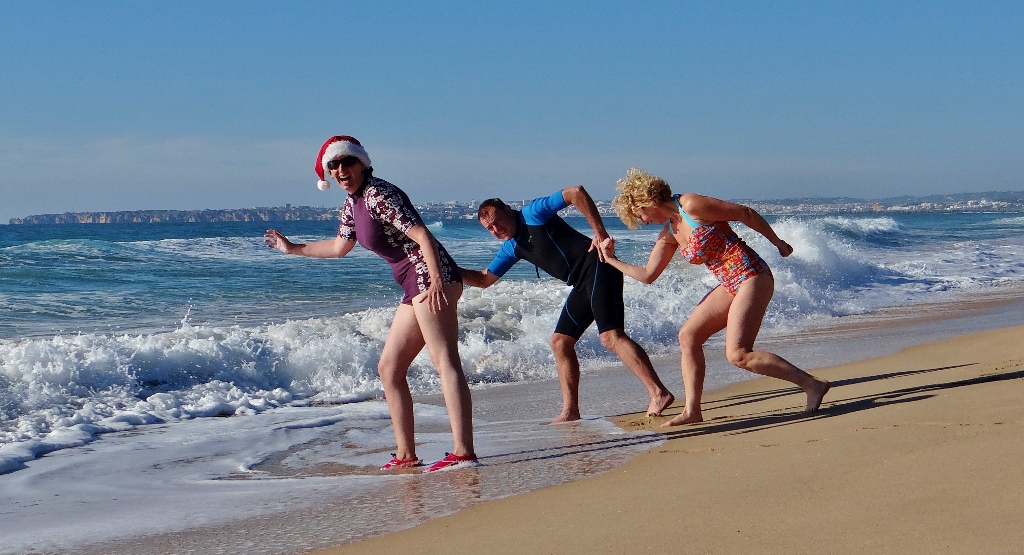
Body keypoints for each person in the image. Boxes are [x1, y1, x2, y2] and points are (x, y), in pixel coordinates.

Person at [264, 135, 476, 472]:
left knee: (444, 361)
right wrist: (292, 248)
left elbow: (421, 235)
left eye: (347, 162)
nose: (341, 169)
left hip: (427, 273)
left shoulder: (379, 193)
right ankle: (406, 455)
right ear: (328, 174)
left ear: (362, 163)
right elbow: (338, 247)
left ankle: (463, 452)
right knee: (389, 369)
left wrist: (437, 280)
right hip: (413, 282)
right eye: (333, 165)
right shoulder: (353, 203)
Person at [597, 167, 830, 427]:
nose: (641, 221)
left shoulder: (691, 205)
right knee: (688, 336)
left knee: (738, 355)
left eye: (638, 214)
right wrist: (611, 260)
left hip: (752, 275)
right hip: (730, 283)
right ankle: (692, 411)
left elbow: (745, 213)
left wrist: (778, 243)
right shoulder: (671, 233)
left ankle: (812, 384)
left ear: (646, 201)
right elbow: (648, 275)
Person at [460, 185, 675, 423]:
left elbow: (576, 192)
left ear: (509, 211)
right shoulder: (512, 247)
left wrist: (600, 233)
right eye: (489, 228)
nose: (496, 230)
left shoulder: (533, 213)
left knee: (610, 337)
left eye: (497, 221)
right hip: (582, 282)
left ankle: (659, 392)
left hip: (600, 266)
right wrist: (448, 270)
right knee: (560, 342)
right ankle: (570, 411)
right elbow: (484, 279)